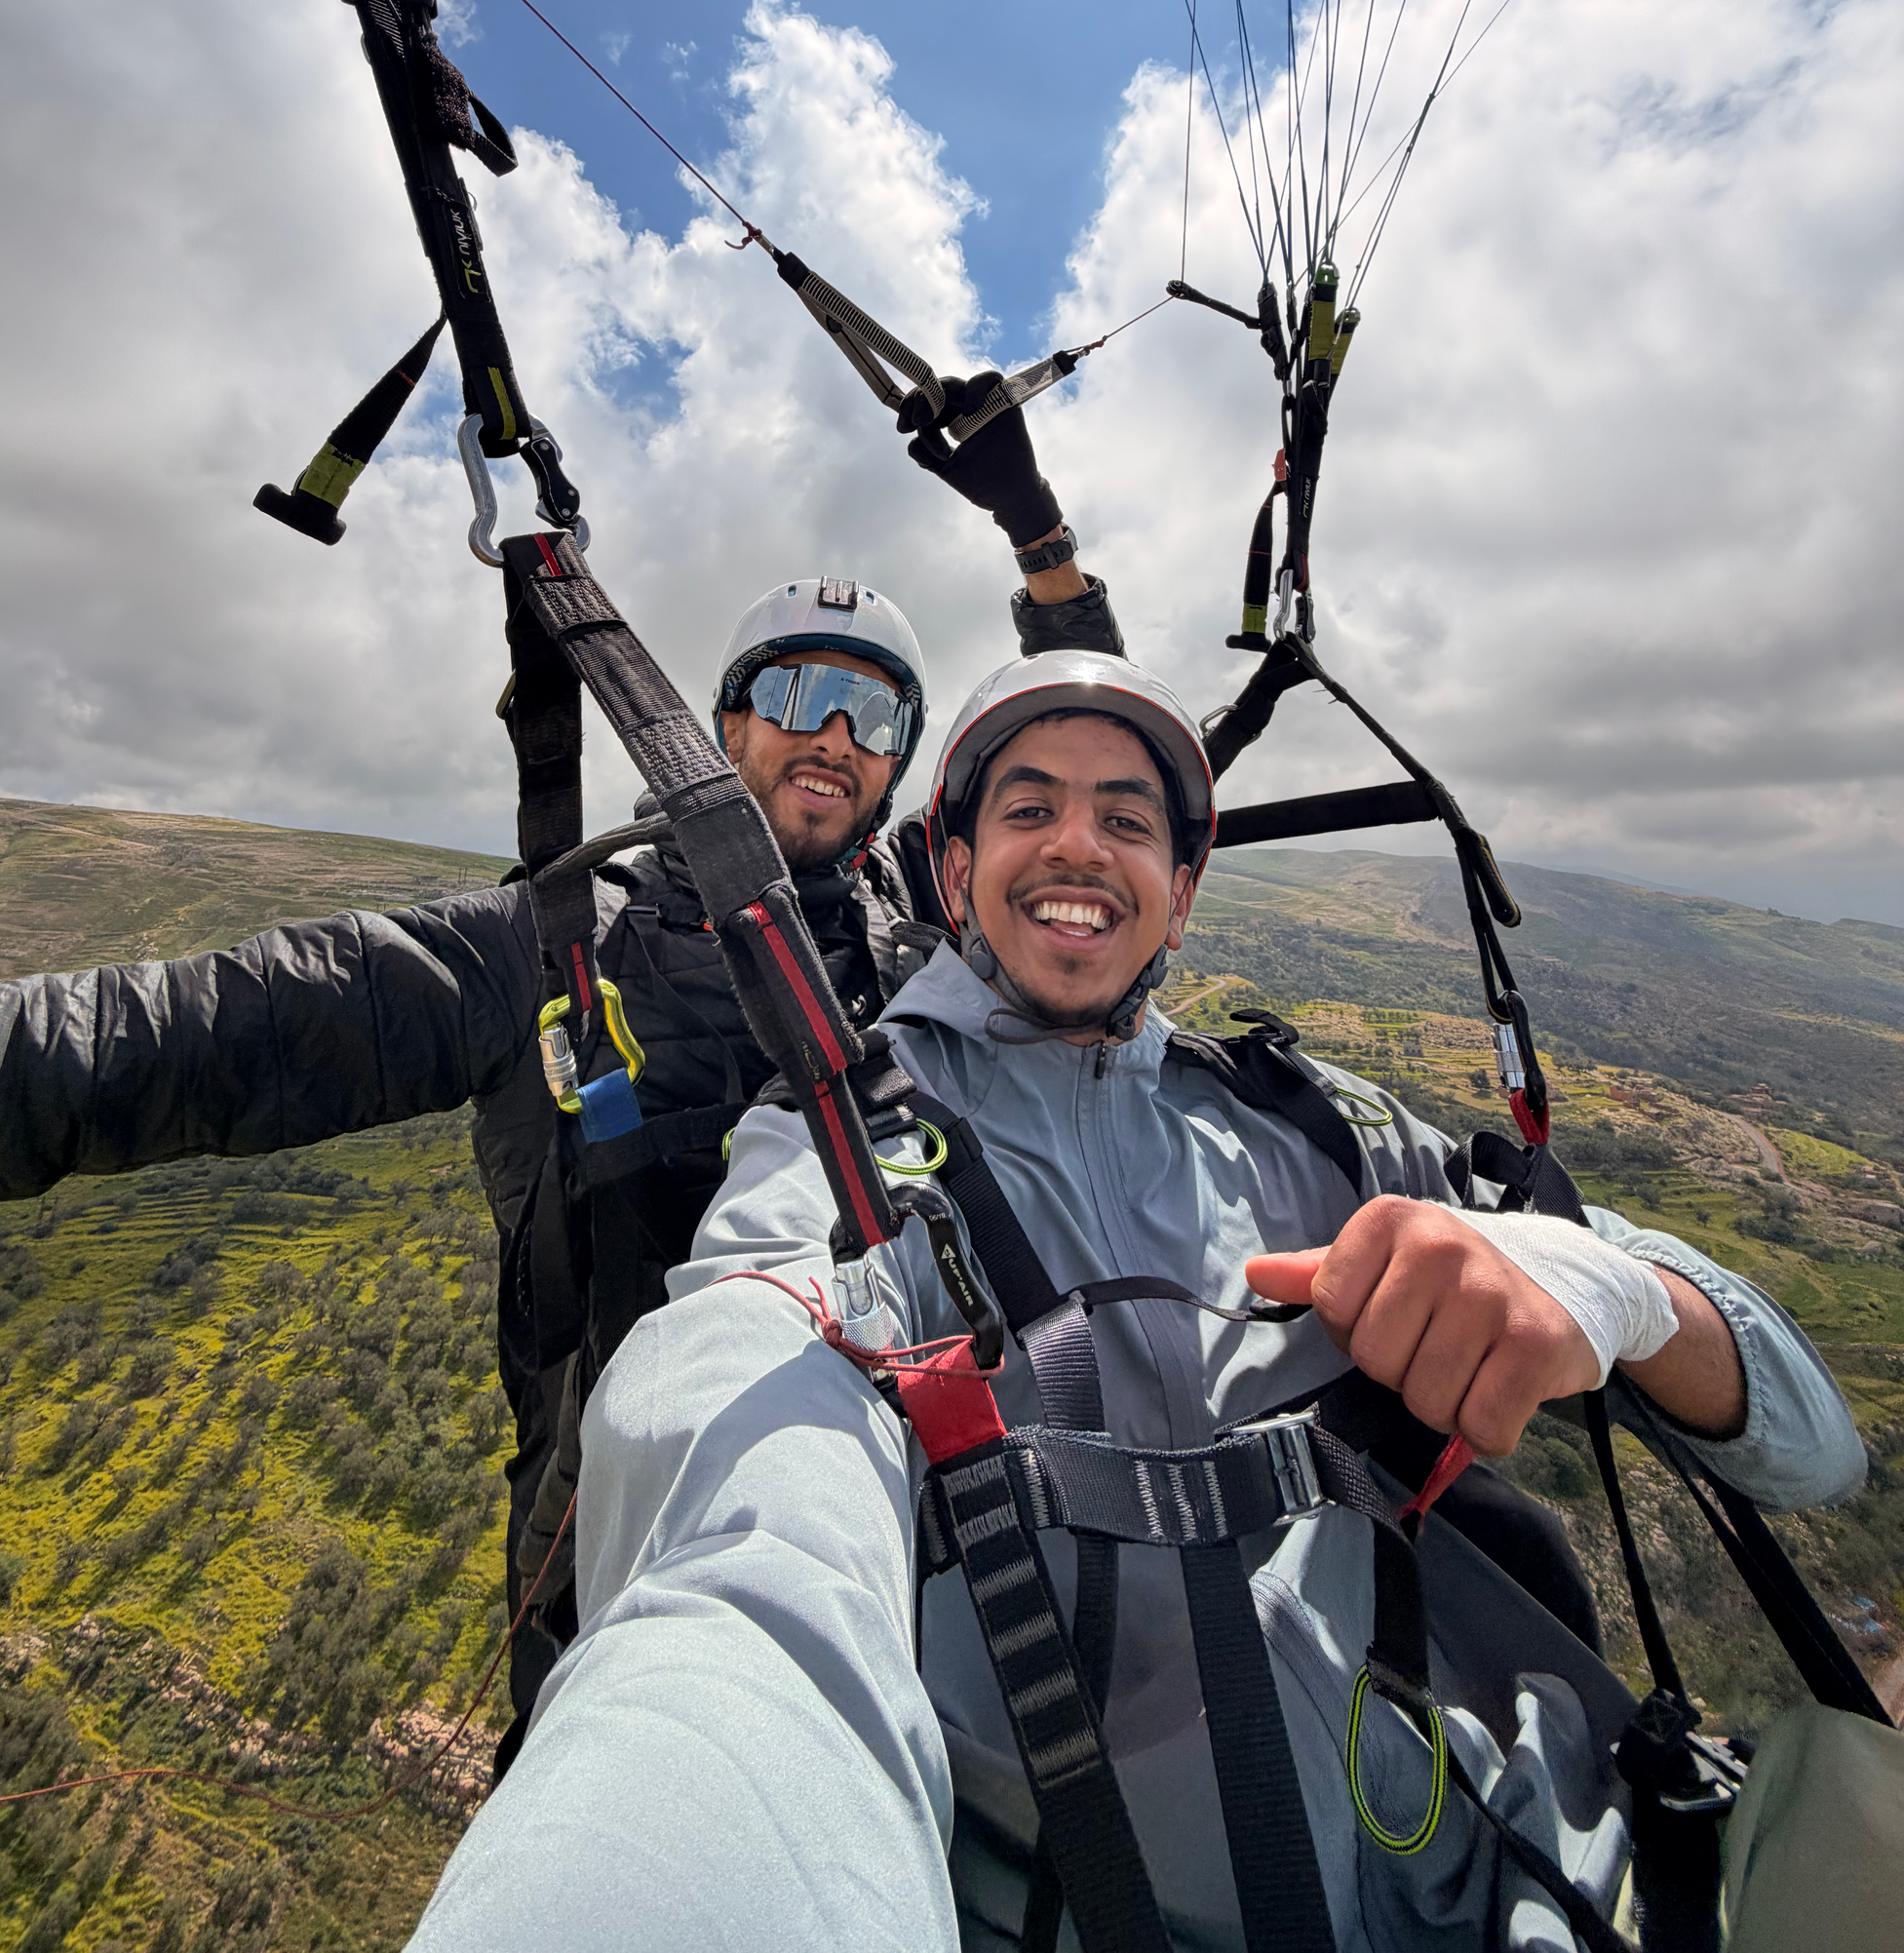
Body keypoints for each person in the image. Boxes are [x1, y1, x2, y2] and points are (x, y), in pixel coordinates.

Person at [405, 650, 1866, 1953]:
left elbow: (1812, 1449)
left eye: (1127, 817)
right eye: (1030, 807)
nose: (1078, 844)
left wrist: (1605, 1290)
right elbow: (743, 1462)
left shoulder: (1316, 1127)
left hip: (1562, 1862)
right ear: (955, 869)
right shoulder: (839, 1157)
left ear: (1182, 886)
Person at [0, 378, 1124, 1763]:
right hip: (618, 1536)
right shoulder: (557, 942)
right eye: (797, 693)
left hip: (915, 1516)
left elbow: (1089, 782)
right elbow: (212, 1029)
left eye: (873, 716)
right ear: (723, 725)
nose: (834, 737)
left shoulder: (925, 932)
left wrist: (1041, 541)